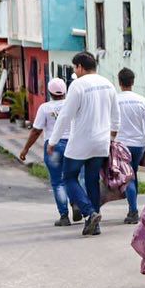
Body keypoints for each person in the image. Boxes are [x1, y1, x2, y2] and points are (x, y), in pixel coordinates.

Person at [47, 51, 119, 237]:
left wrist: (53, 140)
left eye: (74, 68)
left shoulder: (78, 85)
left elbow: (65, 115)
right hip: (101, 142)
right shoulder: (108, 84)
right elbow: (116, 117)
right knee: (92, 180)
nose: (75, 72)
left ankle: (89, 212)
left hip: (80, 142)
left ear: (80, 67)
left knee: (68, 177)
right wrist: (111, 139)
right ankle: (94, 224)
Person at [19, 78, 73, 226]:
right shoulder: (71, 105)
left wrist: (25, 149)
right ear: (65, 92)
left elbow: (36, 131)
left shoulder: (44, 108)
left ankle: (64, 216)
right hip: (72, 145)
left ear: (49, 93)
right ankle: (76, 203)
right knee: (73, 178)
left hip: (53, 146)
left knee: (58, 182)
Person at [115, 67, 145, 225]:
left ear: (119, 82)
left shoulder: (115, 100)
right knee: (133, 173)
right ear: (133, 82)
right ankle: (133, 205)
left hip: (121, 144)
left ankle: (133, 211)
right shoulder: (141, 100)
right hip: (138, 144)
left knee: (128, 177)